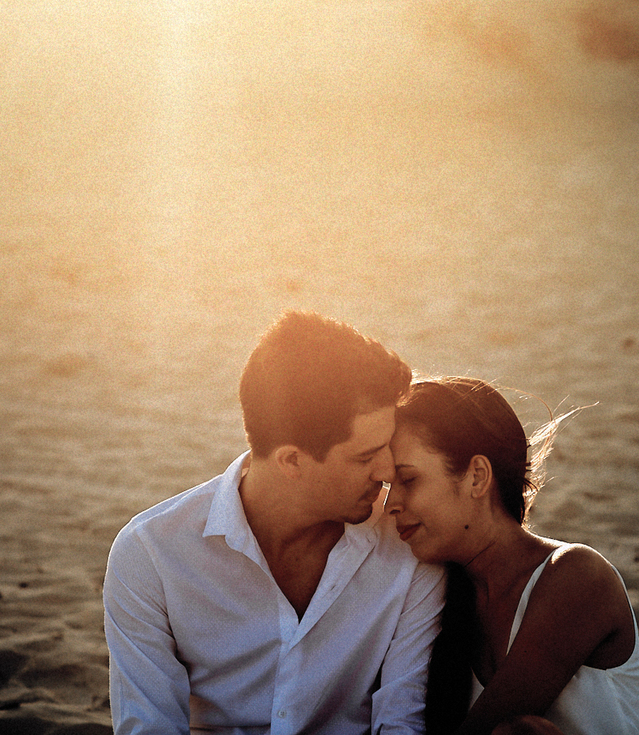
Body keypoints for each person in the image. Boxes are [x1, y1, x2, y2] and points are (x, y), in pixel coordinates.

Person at [104, 311, 446, 735]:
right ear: (291, 460)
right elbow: (149, 727)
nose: (388, 471)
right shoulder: (151, 554)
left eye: (387, 446)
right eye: (365, 456)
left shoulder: (408, 545)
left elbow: (402, 722)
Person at [385, 377, 639, 735]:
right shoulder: (436, 598)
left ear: (477, 477)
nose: (390, 504)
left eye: (408, 480)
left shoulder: (576, 576)